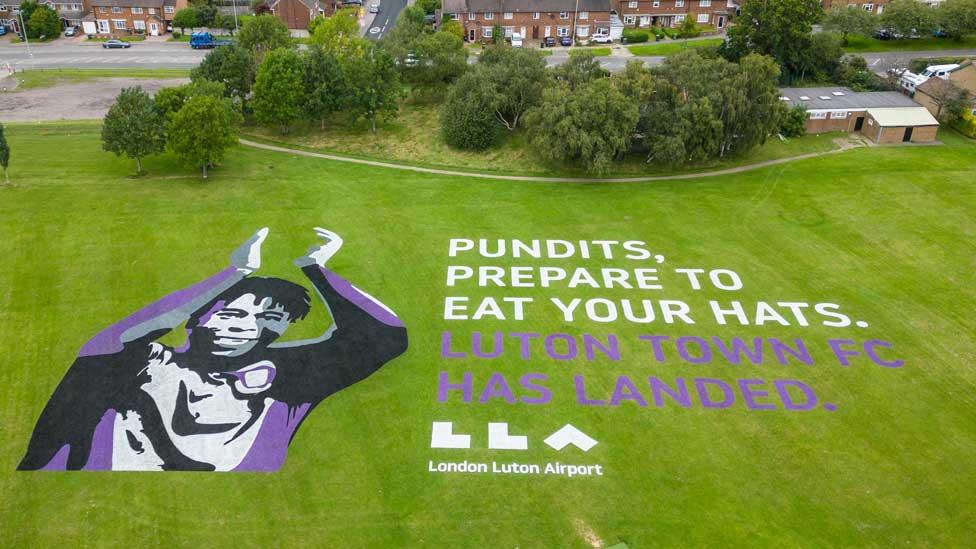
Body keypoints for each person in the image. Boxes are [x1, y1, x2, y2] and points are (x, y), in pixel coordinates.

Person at [18, 228, 408, 472]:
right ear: (196, 318)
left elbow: (386, 335)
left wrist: (316, 270)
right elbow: (122, 338)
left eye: (270, 318)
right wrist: (233, 274)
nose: (248, 324)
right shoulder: (141, 362)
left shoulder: (285, 382)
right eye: (233, 311)